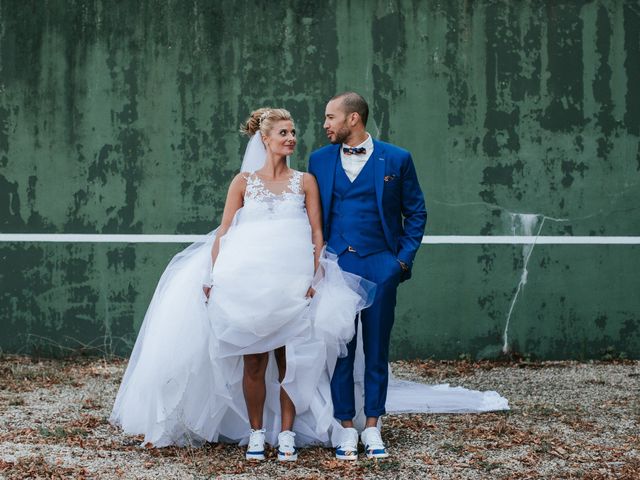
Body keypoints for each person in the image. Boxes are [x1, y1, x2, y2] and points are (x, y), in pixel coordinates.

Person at [110, 108, 374, 461]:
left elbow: (316, 231)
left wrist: (316, 275)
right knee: (254, 362)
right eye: (283, 132)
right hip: (249, 283)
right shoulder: (243, 182)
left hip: (293, 282)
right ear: (265, 139)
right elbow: (225, 231)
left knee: (291, 362)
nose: (291, 137)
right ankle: (255, 433)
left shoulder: (305, 181)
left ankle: (286, 434)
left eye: (293, 131)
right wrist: (212, 277)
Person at [309, 92, 427, 460]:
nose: (325, 124)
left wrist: (401, 263)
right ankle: (346, 427)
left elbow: (416, 213)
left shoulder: (397, 158)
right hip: (337, 266)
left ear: (354, 119)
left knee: (377, 349)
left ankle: (373, 425)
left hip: (380, 266)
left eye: (331, 117)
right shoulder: (319, 160)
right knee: (340, 347)